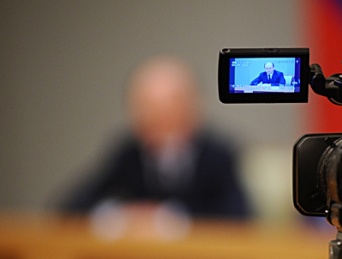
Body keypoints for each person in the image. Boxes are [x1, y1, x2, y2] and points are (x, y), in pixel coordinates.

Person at [60, 56, 251, 223]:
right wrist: (119, 213)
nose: (156, 119)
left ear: (191, 108)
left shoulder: (217, 155)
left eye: (168, 109)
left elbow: (239, 218)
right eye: (146, 109)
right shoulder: (128, 154)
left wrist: (171, 217)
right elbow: (71, 207)